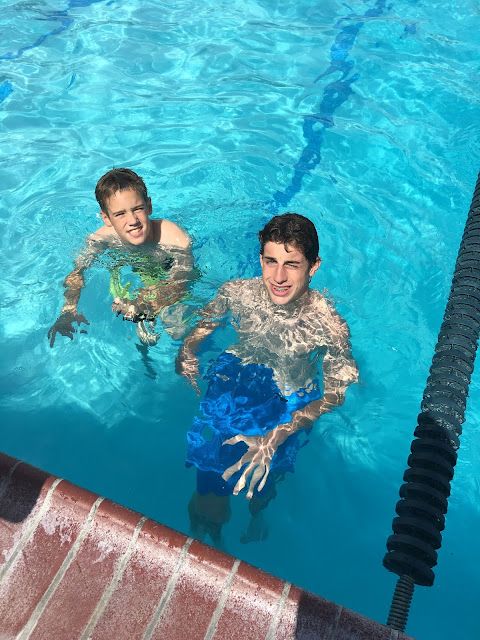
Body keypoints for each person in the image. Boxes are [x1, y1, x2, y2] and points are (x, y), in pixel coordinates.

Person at [176, 212, 358, 546]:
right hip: (233, 386)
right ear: (260, 259)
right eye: (271, 261)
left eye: (292, 264)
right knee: (208, 494)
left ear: (313, 266)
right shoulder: (236, 293)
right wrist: (187, 354)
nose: (278, 276)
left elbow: (336, 394)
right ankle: (202, 537)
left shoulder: (329, 325)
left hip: (288, 406)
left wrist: (278, 435)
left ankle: (258, 516)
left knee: (260, 488)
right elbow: (198, 333)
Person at [48, 168, 193, 347]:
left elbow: (181, 282)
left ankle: (142, 314)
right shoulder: (100, 239)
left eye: (138, 209)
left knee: (177, 329)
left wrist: (143, 304)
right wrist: (68, 310)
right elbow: (76, 274)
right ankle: (140, 315)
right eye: (120, 214)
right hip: (135, 269)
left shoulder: (174, 238)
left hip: (165, 269)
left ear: (149, 206)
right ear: (106, 218)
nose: (132, 221)